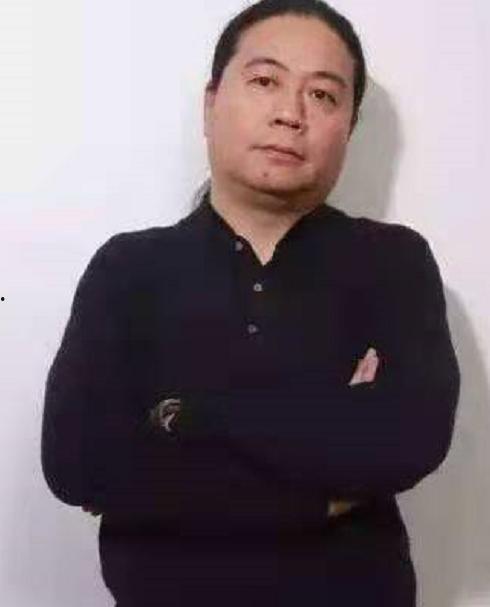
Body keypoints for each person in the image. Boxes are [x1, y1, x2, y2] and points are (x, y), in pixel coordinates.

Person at [40, 0, 460, 605]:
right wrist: (324, 474)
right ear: (211, 104)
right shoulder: (128, 269)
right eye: (265, 81)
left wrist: (183, 417)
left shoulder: (393, 263)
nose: (291, 114)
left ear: (348, 127)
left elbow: (408, 442)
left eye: (323, 95)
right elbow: (78, 464)